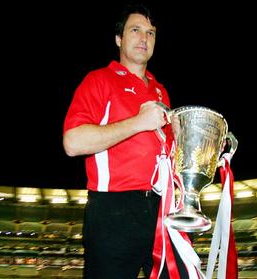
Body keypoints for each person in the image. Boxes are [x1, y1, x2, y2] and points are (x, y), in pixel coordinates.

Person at [63, 4, 185, 279]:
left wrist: (181, 140)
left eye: (151, 33)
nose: (145, 38)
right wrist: (137, 123)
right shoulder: (99, 80)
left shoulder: (160, 90)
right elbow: (73, 142)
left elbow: (164, 155)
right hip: (113, 210)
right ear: (118, 39)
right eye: (136, 30)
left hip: (161, 208)